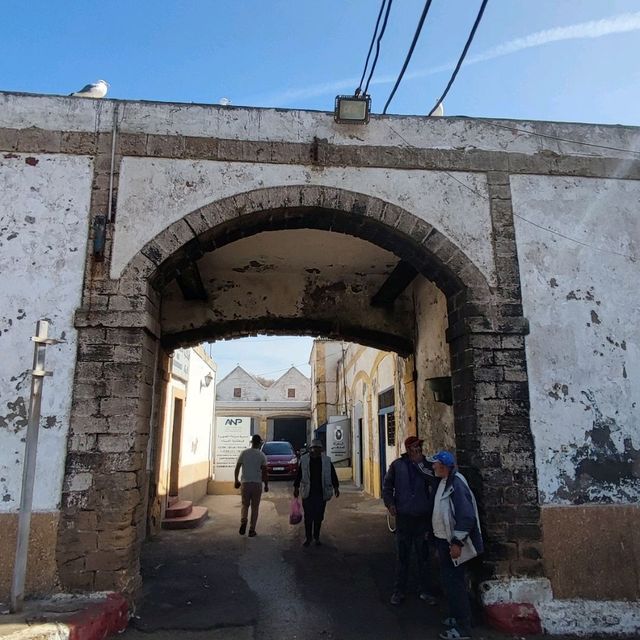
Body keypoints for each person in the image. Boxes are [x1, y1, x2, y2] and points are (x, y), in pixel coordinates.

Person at [428, 450, 483, 640]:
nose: (433, 466)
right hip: (443, 540)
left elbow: (467, 516)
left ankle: (463, 627)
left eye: (435, 463)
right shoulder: (444, 482)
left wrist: (457, 542)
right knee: (450, 583)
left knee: (456, 583)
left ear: (444, 466)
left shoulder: (457, 485)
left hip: (452, 543)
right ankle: (456, 616)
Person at [382, 435, 438, 606]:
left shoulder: (427, 466)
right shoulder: (397, 466)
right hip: (404, 518)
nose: (418, 450)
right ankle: (399, 591)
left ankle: (425, 591)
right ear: (408, 449)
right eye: (415, 447)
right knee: (402, 557)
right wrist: (390, 503)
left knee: (423, 557)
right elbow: (387, 487)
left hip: (422, 518)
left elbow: (434, 480)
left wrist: (419, 464)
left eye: (420, 448)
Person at [293, 438, 340, 547]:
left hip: (321, 493)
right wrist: (296, 487)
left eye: (318, 448)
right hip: (307, 493)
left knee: (319, 516)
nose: (316, 450)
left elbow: (333, 474)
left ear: (321, 449)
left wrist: (336, 487)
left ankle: (316, 537)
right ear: (310, 449)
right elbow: (299, 475)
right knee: (308, 517)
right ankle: (308, 538)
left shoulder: (327, 461)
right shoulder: (304, 460)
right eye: (314, 448)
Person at [234, 434, 269, 537]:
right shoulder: (262, 455)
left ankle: (243, 520)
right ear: (259, 443)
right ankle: (252, 530)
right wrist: (266, 485)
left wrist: (236, 480)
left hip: (245, 483)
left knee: (245, 505)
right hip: (257, 484)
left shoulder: (244, 453)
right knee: (255, 507)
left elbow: (237, 468)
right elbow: (265, 473)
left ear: (252, 442)